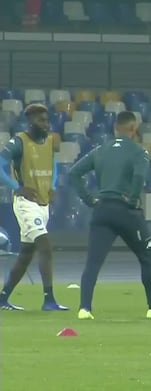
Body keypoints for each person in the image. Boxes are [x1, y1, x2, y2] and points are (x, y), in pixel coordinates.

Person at [69, 111, 151, 320]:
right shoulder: (139, 152)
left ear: (115, 128)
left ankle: (85, 309)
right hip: (127, 212)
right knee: (147, 257)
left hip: (102, 210)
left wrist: (89, 199)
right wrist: (132, 199)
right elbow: (140, 175)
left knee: (93, 262)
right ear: (133, 129)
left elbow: (74, 173)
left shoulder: (100, 150)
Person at [0, 103, 67, 311]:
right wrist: (17, 187)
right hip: (26, 204)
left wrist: (53, 186)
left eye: (47, 120)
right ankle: (49, 300)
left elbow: (53, 163)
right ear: (30, 121)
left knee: (26, 254)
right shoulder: (19, 142)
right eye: (41, 120)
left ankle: (2, 298)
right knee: (44, 245)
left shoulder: (48, 142)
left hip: (43, 204)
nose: (46, 124)